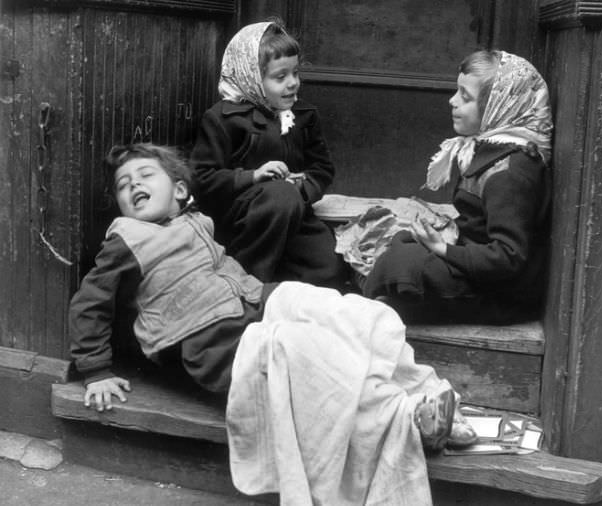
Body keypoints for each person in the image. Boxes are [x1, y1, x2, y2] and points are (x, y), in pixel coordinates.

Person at [69, 143, 476, 506]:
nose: (133, 186)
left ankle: (423, 390)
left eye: (144, 176)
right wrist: (94, 371)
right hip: (211, 342)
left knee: (341, 309)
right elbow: (91, 301)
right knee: (308, 351)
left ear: (178, 190)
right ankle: (407, 418)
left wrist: (276, 298)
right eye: (124, 185)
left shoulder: (193, 221)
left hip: (251, 305)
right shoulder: (126, 238)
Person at [363, 50, 553, 324]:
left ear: (497, 107)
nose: (452, 101)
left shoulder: (510, 174)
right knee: (402, 240)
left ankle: (376, 306)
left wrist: (443, 250)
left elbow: (508, 258)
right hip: (478, 264)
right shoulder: (491, 149)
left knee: (403, 265)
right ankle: (382, 297)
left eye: (465, 96)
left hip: (501, 293)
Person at [189, 20, 345, 288]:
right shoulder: (223, 119)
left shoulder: (303, 116)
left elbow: (322, 168)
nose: (293, 83)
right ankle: (248, 284)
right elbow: (202, 178)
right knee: (279, 195)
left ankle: (282, 296)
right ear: (251, 77)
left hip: (294, 211)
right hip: (244, 222)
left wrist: (303, 189)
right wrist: (252, 176)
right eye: (280, 77)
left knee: (328, 270)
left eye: (295, 73)